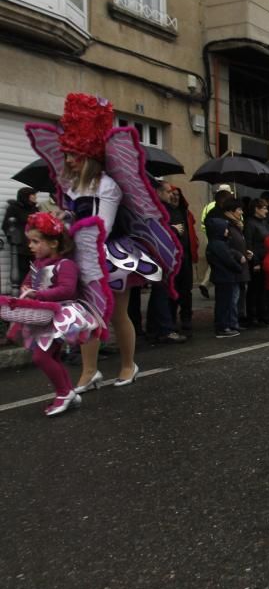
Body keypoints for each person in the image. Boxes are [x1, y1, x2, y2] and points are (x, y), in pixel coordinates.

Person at [27, 93, 177, 390]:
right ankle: (89, 372)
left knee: (117, 314)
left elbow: (103, 227)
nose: (68, 159)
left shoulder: (108, 186)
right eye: (67, 154)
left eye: (73, 155)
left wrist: (66, 227)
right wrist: (56, 220)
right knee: (87, 315)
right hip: (80, 254)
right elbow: (71, 218)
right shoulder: (70, 184)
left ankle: (127, 365)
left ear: (89, 156)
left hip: (109, 255)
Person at [0, 213, 105, 416]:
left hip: (61, 315)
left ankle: (64, 392)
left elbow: (67, 289)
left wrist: (38, 294)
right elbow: (29, 283)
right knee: (50, 356)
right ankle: (67, 392)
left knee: (41, 357)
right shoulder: (37, 265)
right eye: (30, 241)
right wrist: (26, 289)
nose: (30, 246)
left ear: (54, 243)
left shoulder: (65, 265)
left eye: (36, 241)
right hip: (43, 315)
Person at [146, 179, 186, 343]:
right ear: (158, 192)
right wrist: (173, 229)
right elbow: (153, 230)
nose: (171, 195)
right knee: (161, 292)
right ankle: (164, 329)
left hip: (167, 257)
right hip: (159, 257)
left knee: (161, 293)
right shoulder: (155, 209)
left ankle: (155, 328)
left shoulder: (166, 208)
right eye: (168, 192)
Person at [205, 217, 243, 338]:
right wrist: (238, 267)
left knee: (225, 302)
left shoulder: (218, 243)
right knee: (224, 303)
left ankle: (224, 325)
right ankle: (223, 327)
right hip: (224, 277)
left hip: (223, 277)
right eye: (225, 229)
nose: (227, 231)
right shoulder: (218, 245)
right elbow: (228, 260)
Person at [167, 185, 198, 331]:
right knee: (172, 290)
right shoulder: (164, 212)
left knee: (186, 290)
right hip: (171, 258)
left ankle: (186, 318)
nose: (175, 197)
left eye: (177, 195)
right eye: (172, 194)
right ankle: (171, 319)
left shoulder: (184, 212)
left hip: (186, 256)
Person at [198, 184, 233, 299]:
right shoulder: (222, 210)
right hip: (218, 240)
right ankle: (205, 283)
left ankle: (205, 283)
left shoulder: (208, 207)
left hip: (211, 239)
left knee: (212, 266)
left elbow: (203, 222)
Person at [219, 198, 251, 326]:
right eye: (239, 209)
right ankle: (231, 322)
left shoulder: (236, 225)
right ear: (231, 211)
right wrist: (238, 255)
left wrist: (246, 252)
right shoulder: (225, 225)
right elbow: (226, 246)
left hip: (240, 264)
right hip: (233, 266)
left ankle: (236, 319)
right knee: (233, 296)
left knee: (238, 295)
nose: (241, 212)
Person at [243, 198, 269, 326]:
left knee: (263, 289)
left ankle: (263, 315)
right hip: (256, 260)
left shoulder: (264, 223)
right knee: (255, 289)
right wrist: (255, 262)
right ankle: (253, 316)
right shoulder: (250, 223)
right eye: (264, 208)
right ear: (256, 209)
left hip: (266, 259)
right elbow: (249, 243)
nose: (266, 210)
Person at [3, 187, 39, 290]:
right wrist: (14, 240)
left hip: (34, 245)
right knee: (21, 271)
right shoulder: (14, 208)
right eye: (33, 195)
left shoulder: (35, 209)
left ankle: (34, 291)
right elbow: (6, 226)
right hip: (20, 247)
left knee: (35, 269)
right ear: (27, 196)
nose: (36, 197)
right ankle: (20, 292)